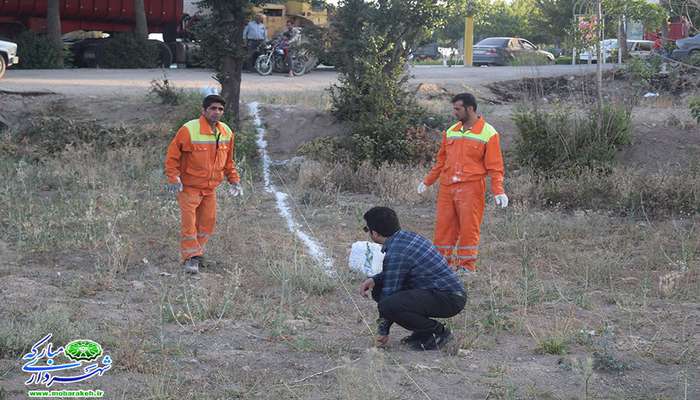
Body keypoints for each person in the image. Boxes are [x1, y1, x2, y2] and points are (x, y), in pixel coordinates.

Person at [418, 93, 508, 272]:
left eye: (457, 109)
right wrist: (428, 181)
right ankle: (441, 265)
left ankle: (466, 267)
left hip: (471, 188)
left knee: (469, 229)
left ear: (470, 109)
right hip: (447, 187)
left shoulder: (489, 133)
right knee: (443, 228)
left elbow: (495, 166)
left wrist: (498, 190)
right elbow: (441, 162)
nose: (454, 112)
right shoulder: (451, 131)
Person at [358, 207, 466, 351]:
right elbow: (398, 273)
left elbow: (388, 297)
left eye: (367, 229)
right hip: (445, 293)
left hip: (448, 298)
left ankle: (438, 333)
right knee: (379, 289)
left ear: (375, 233)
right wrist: (375, 280)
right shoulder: (406, 237)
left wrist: (382, 332)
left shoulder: (396, 252)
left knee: (388, 304)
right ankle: (424, 333)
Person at [164, 95, 242, 274]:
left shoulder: (227, 132)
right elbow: (172, 157)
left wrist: (234, 180)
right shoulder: (188, 130)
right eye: (213, 108)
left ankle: (197, 253)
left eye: (220, 109)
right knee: (189, 224)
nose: (217, 112)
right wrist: (173, 179)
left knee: (207, 223)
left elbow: (228, 161)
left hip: (210, 189)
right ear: (204, 110)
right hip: (189, 187)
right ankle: (190, 258)